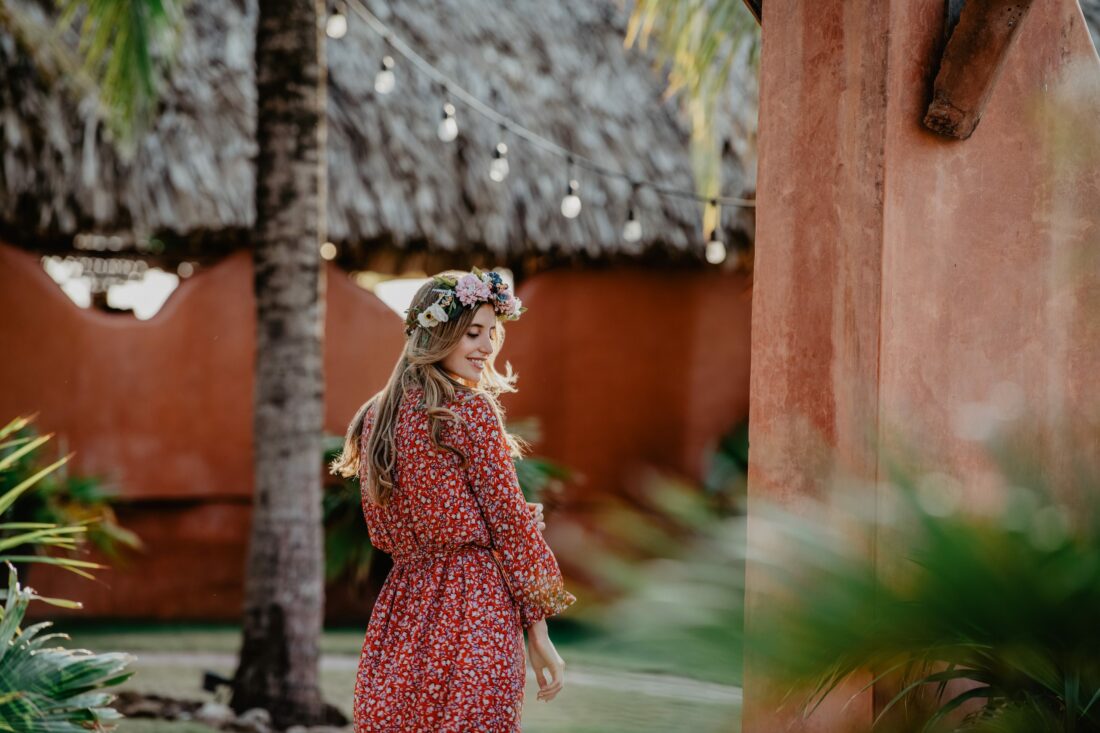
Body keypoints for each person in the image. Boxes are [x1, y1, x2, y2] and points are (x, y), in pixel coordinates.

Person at [330, 268, 577, 732]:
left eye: (491, 333)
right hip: (474, 605)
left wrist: (484, 523)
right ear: (437, 333)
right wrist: (538, 629)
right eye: (472, 334)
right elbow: (509, 526)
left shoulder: (375, 417)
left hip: (404, 610)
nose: (486, 347)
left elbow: (388, 528)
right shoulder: (469, 410)